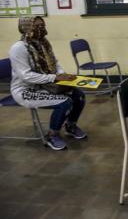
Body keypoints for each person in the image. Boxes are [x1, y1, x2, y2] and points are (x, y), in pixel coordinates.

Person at [9, 17, 87, 151]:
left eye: (42, 25)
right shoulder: (19, 48)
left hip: (46, 85)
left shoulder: (43, 43)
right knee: (65, 102)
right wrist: (55, 78)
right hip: (25, 90)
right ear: (26, 29)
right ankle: (52, 135)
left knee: (79, 95)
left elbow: (55, 63)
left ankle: (70, 125)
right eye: (36, 26)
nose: (41, 29)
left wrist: (63, 75)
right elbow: (26, 76)